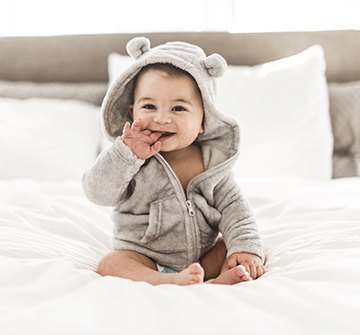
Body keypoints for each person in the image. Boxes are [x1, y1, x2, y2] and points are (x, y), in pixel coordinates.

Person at [83, 37, 265, 285]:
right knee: (111, 263)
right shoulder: (128, 158)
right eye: (149, 106)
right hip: (144, 256)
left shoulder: (213, 164)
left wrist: (245, 247)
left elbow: (236, 211)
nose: (162, 118)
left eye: (178, 109)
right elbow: (97, 193)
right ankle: (165, 280)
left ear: (203, 120)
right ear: (132, 111)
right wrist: (126, 155)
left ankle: (220, 278)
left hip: (202, 258)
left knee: (233, 246)